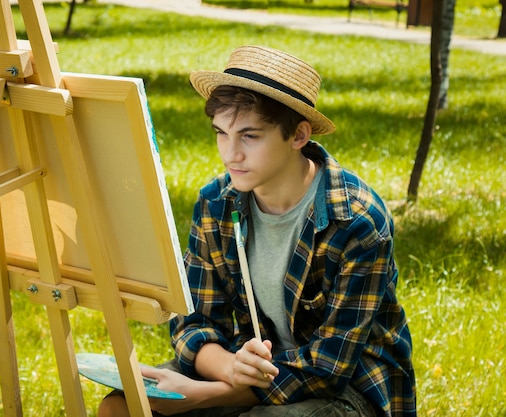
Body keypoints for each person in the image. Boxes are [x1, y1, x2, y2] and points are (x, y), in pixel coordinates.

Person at [98, 45, 416, 417]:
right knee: (119, 407)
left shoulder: (357, 221)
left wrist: (207, 395)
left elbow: (326, 371)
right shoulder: (217, 203)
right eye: (221, 133)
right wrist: (229, 369)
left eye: (249, 136)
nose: (230, 154)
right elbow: (195, 322)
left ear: (298, 135)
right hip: (244, 371)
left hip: (349, 391)